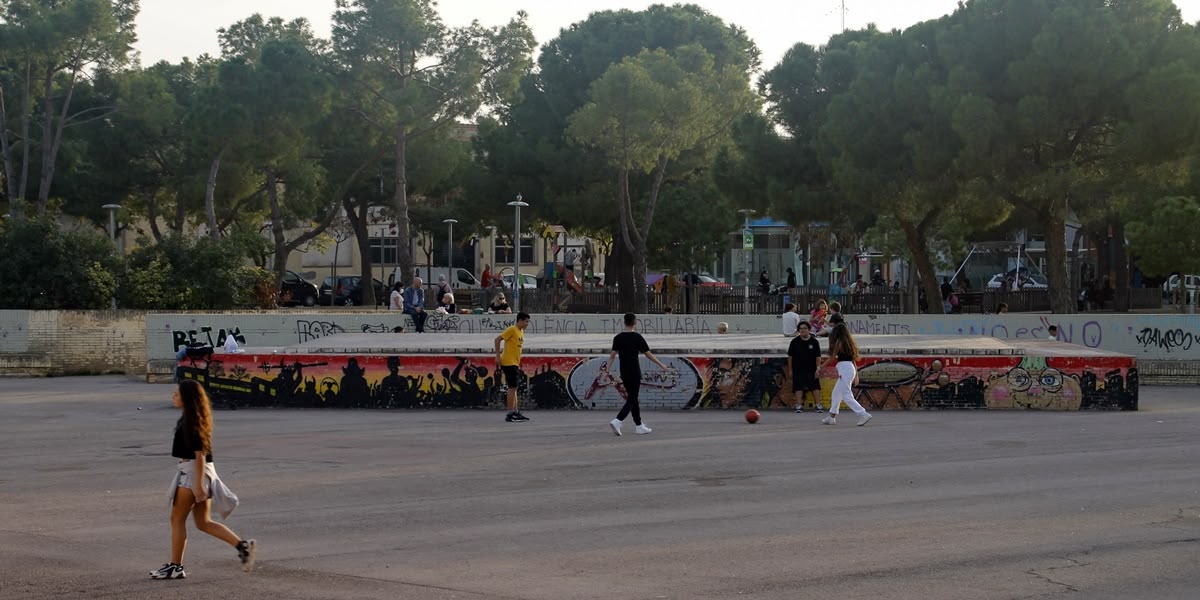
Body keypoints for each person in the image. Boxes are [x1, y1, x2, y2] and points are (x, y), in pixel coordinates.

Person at [151, 380, 255, 580]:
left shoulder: (191, 422)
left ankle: (175, 566)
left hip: (192, 474)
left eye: (177, 394)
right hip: (199, 473)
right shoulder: (195, 418)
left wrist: (198, 485)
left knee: (176, 519)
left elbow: (199, 455)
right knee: (203, 522)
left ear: (187, 398)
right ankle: (243, 547)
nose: (173, 397)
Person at [605, 313, 670, 436]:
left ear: (624, 323)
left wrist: (607, 370)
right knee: (633, 398)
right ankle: (618, 420)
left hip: (623, 371)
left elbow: (612, 355)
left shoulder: (618, 338)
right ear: (635, 323)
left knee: (632, 397)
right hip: (634, 371)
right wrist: (661, 364)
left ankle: (639, 425)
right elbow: (648, 354)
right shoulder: (637, 337)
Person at [819, 323, 872, 426]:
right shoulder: (848, 343)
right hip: (849, 369)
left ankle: (862, 413)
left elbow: (832, 357)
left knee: (846, 395)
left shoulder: (839, 342)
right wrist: (856, 375)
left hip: (844, 370)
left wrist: (820, 367)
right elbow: (853, 361)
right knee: (836, 393)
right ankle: (831, 417)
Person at [495, 312, 532, 422]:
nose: (527, 324)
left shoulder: (520, 332)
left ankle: (515, 412)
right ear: (520, 320)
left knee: (514, 387)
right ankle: (510, 413)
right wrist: (498, 356)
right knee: (512, 388)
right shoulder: (512, 329)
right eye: (526, 321)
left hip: (514, 363)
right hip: (508, 362)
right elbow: (497, 340)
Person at [788, 321, 825, 413]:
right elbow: (790, 357)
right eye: (800, 328)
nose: (802, 330)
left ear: (809, 330)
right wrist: (790, 370)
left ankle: (818, 405)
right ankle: (799, 405)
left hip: (811, 368)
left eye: (804, 328)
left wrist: (818, 368)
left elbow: (818, 356)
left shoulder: (814, 342)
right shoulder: (794, 342)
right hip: (798, 368)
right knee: (798, 387)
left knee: (815, 386)